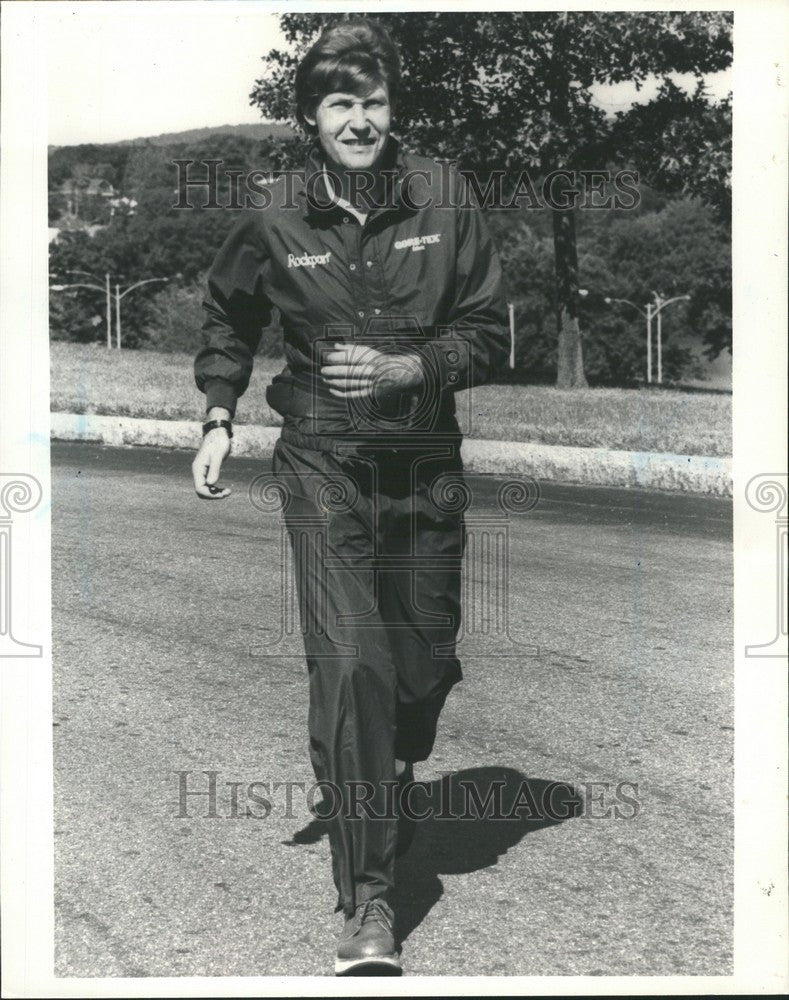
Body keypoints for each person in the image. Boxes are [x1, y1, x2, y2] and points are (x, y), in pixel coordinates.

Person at [191, 17, 509, 975]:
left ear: (391, 110)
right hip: (321, 462)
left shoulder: (446, 196)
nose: (361, 122)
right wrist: (217, 413)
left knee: (420, 669)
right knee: (353, 664)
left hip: (423, 468)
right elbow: (228, 316)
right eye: (341, 105)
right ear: (311, 118)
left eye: (373, 103)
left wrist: (413, 369)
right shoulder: (274, 216)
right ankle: (368, 903)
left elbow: (491, 334)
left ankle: (387, 766)